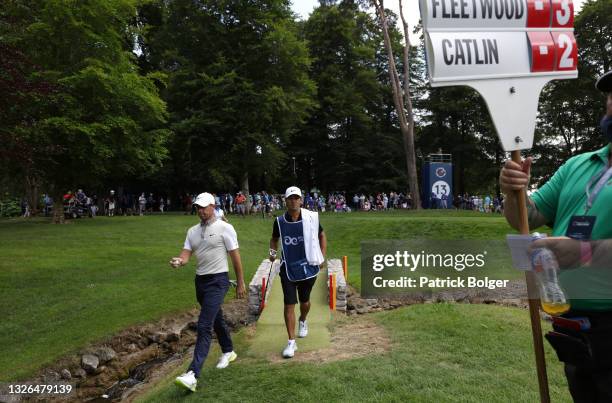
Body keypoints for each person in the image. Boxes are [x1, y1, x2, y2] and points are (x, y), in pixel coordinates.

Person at [499, 71, 612, 402]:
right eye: (609, 94)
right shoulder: (578, 164)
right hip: (572, 324)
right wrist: (512, 191)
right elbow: (529, 216)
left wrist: (583, 253)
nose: (611, 100)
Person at [170, 192, 246, 392]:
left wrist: (240, 283)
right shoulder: (192, 231)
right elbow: (186, 254)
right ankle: (228, 351)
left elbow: (235, 257)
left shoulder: (225, 228)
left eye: (204, 207)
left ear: (213, 206)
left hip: (218, 280)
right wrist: (179, 261)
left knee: (204, 325)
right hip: (200, 282)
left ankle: (192, 374)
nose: (201, 211)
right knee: (216, 318)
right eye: (198, 207)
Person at [269, 186, 327, 358]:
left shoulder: (310, 218)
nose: (293, 201)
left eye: (296, 198)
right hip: (288, 267)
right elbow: (274, 239)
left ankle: (303, 319)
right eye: (290, 198)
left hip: (308, 267)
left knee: (305, 302)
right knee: (288, 304)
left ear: (301, 200)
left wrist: (322, 256)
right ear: (285, 201)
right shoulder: (279, 221)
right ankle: (291, 342)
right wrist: (272, 253)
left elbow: (322, 235)